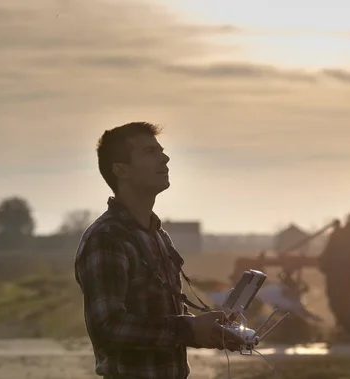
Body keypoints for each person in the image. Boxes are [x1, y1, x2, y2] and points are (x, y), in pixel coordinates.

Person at [74, 122, 243, 379]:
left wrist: (207, 331)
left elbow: (164, 321)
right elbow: (108, 327)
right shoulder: (107, 238)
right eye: (149, 152)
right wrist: (189, 329)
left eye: (161, 150)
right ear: (121, 170)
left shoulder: (157, 235)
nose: (165, 158)